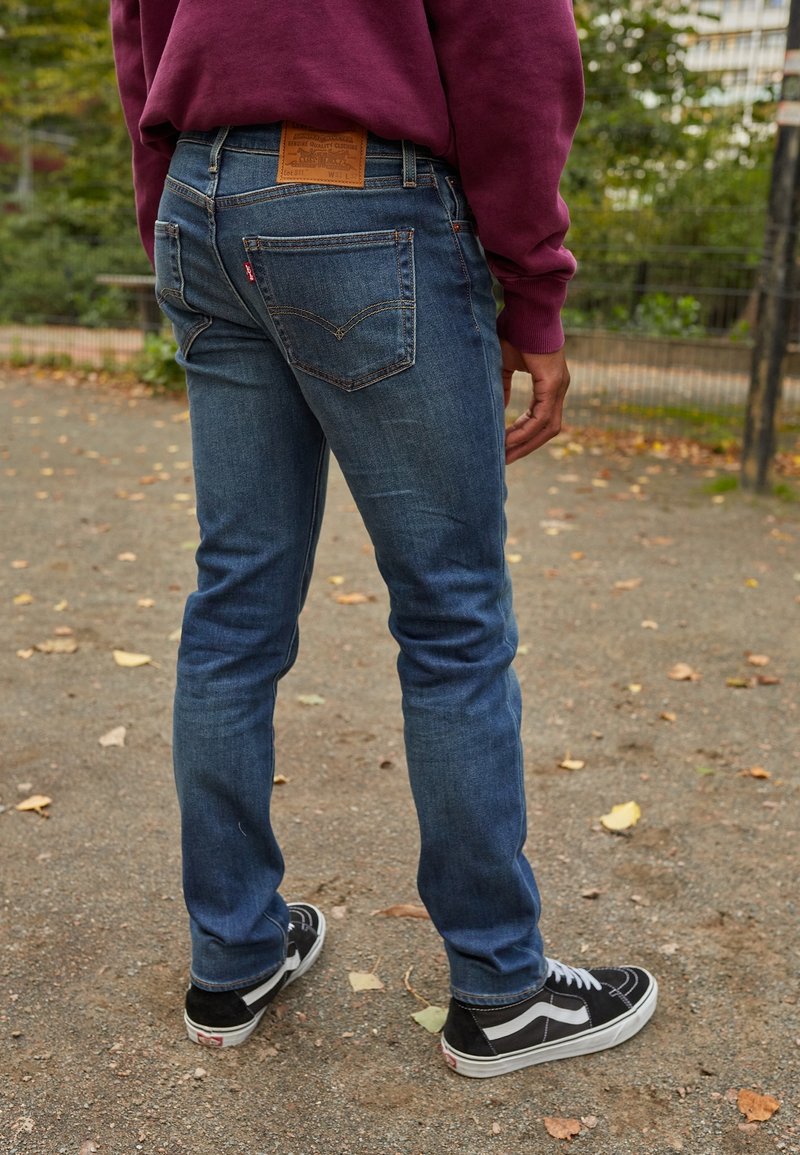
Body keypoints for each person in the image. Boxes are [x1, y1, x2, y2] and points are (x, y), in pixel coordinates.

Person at [111, 0, 657, 1075]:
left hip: (199, 197)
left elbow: (139, 38)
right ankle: (501, 991)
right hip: (360, 200)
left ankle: (232, 957)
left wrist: (177, 218)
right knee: (453, 616)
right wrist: (534, 287)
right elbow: (513, 43)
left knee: (233, 604)